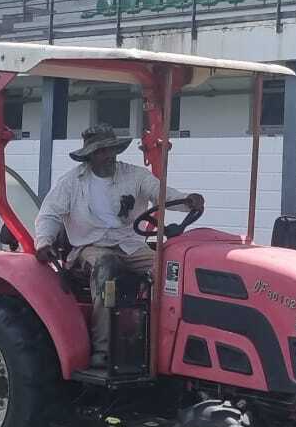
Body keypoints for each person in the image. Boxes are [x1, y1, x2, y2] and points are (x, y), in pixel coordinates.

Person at [33, 123, 204, 365]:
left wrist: (187, 202)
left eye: (111, 149)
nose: (109, 155)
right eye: (102, 151)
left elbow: (161, 193)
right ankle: (103, 351)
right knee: (106, 268)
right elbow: (50, 214)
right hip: (91, 246)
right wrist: (44, 241)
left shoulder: (134, 176)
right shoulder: (71, 182)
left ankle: (160, 341)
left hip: (130, 244)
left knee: (170, 271)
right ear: (91, 155)